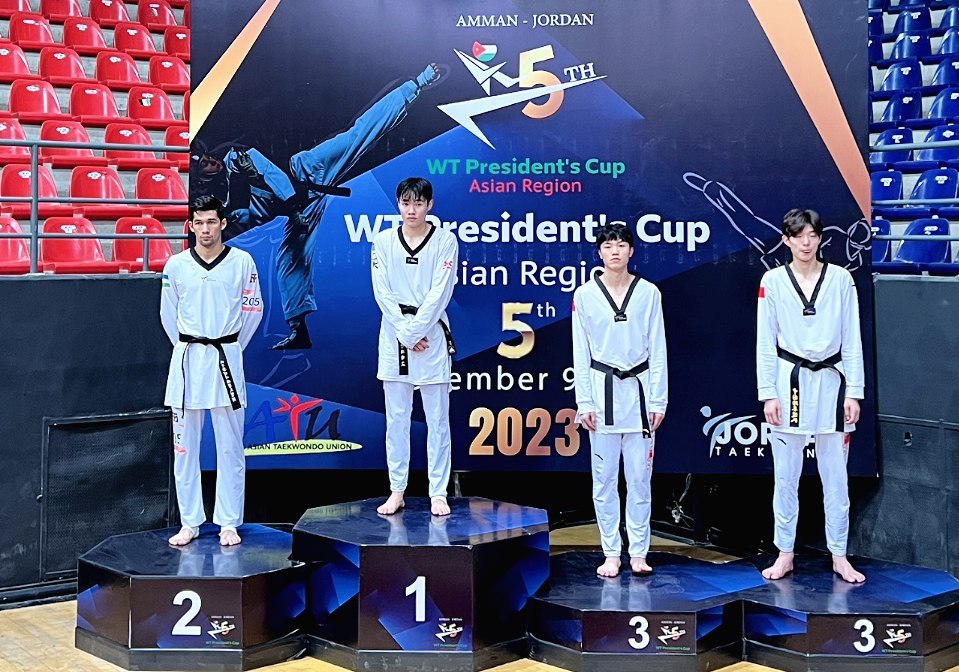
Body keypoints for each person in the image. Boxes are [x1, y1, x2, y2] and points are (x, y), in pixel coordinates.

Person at [192, 64, 444, 350]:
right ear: (202, 176)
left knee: (357, 136)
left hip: (307, 171)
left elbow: (272, 174)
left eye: (209, 158)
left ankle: (416, 84)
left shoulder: (235, 159)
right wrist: (248, 214)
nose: (211, 162)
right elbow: (257, 215)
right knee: (289, 261)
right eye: (205, 165)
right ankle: (298, 330)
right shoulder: (223, 203)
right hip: (304, 206)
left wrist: (284, 202)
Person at [756, 208, 866, 583]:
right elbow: (765, 343)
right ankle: (785, 552)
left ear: (820, 238)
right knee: (786, 477)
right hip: (789, 382)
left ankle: (839, 554)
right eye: (798, 236)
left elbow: (852, 339)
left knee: (836, 478)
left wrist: (854, 391)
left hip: (833, 383)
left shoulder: (841, 279)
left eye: (812, 235)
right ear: (786, 240)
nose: (806, 243)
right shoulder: (772, 281)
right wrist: (768, 393)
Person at [161, 195, 263, 546]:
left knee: (231, 446)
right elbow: (168, 316)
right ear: (190, 226)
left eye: (211, 222)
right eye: (199, 223)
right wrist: (192, 344)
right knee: (185, 448)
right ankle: (189, 522)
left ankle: (229, 522)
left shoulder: (242, 262)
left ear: (223, 223)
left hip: (226, 358)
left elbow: (253, 311)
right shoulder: (176, 266)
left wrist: (230, 346)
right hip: (188, 359)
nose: (205, 229)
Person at [572, 223, 667, 578]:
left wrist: (658, 400)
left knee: (640, 479)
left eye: (621, 245)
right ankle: (611, 551)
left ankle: (639, 551)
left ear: (631, 251)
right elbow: (580, 352)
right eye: (608, 245)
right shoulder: (585, 294)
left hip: (639, 394)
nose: (615, 251)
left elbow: (658, 349)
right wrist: (584, 402)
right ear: (599, 253)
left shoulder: (649, 293)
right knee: (604, 480)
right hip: (602, 393)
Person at [370, 177, 458, 517]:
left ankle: (438, 491)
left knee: (437, 420)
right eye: (406, 203)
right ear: (398, 204)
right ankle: (397, 489)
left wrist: (417, 329)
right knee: (396, 419)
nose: (412, 210)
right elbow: (382, 291)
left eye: (418, 204)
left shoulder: (445, 241)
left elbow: (441, 291)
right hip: (394, 334)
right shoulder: (383, 242)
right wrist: (405, 333)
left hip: (431, 334)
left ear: (429, 205)